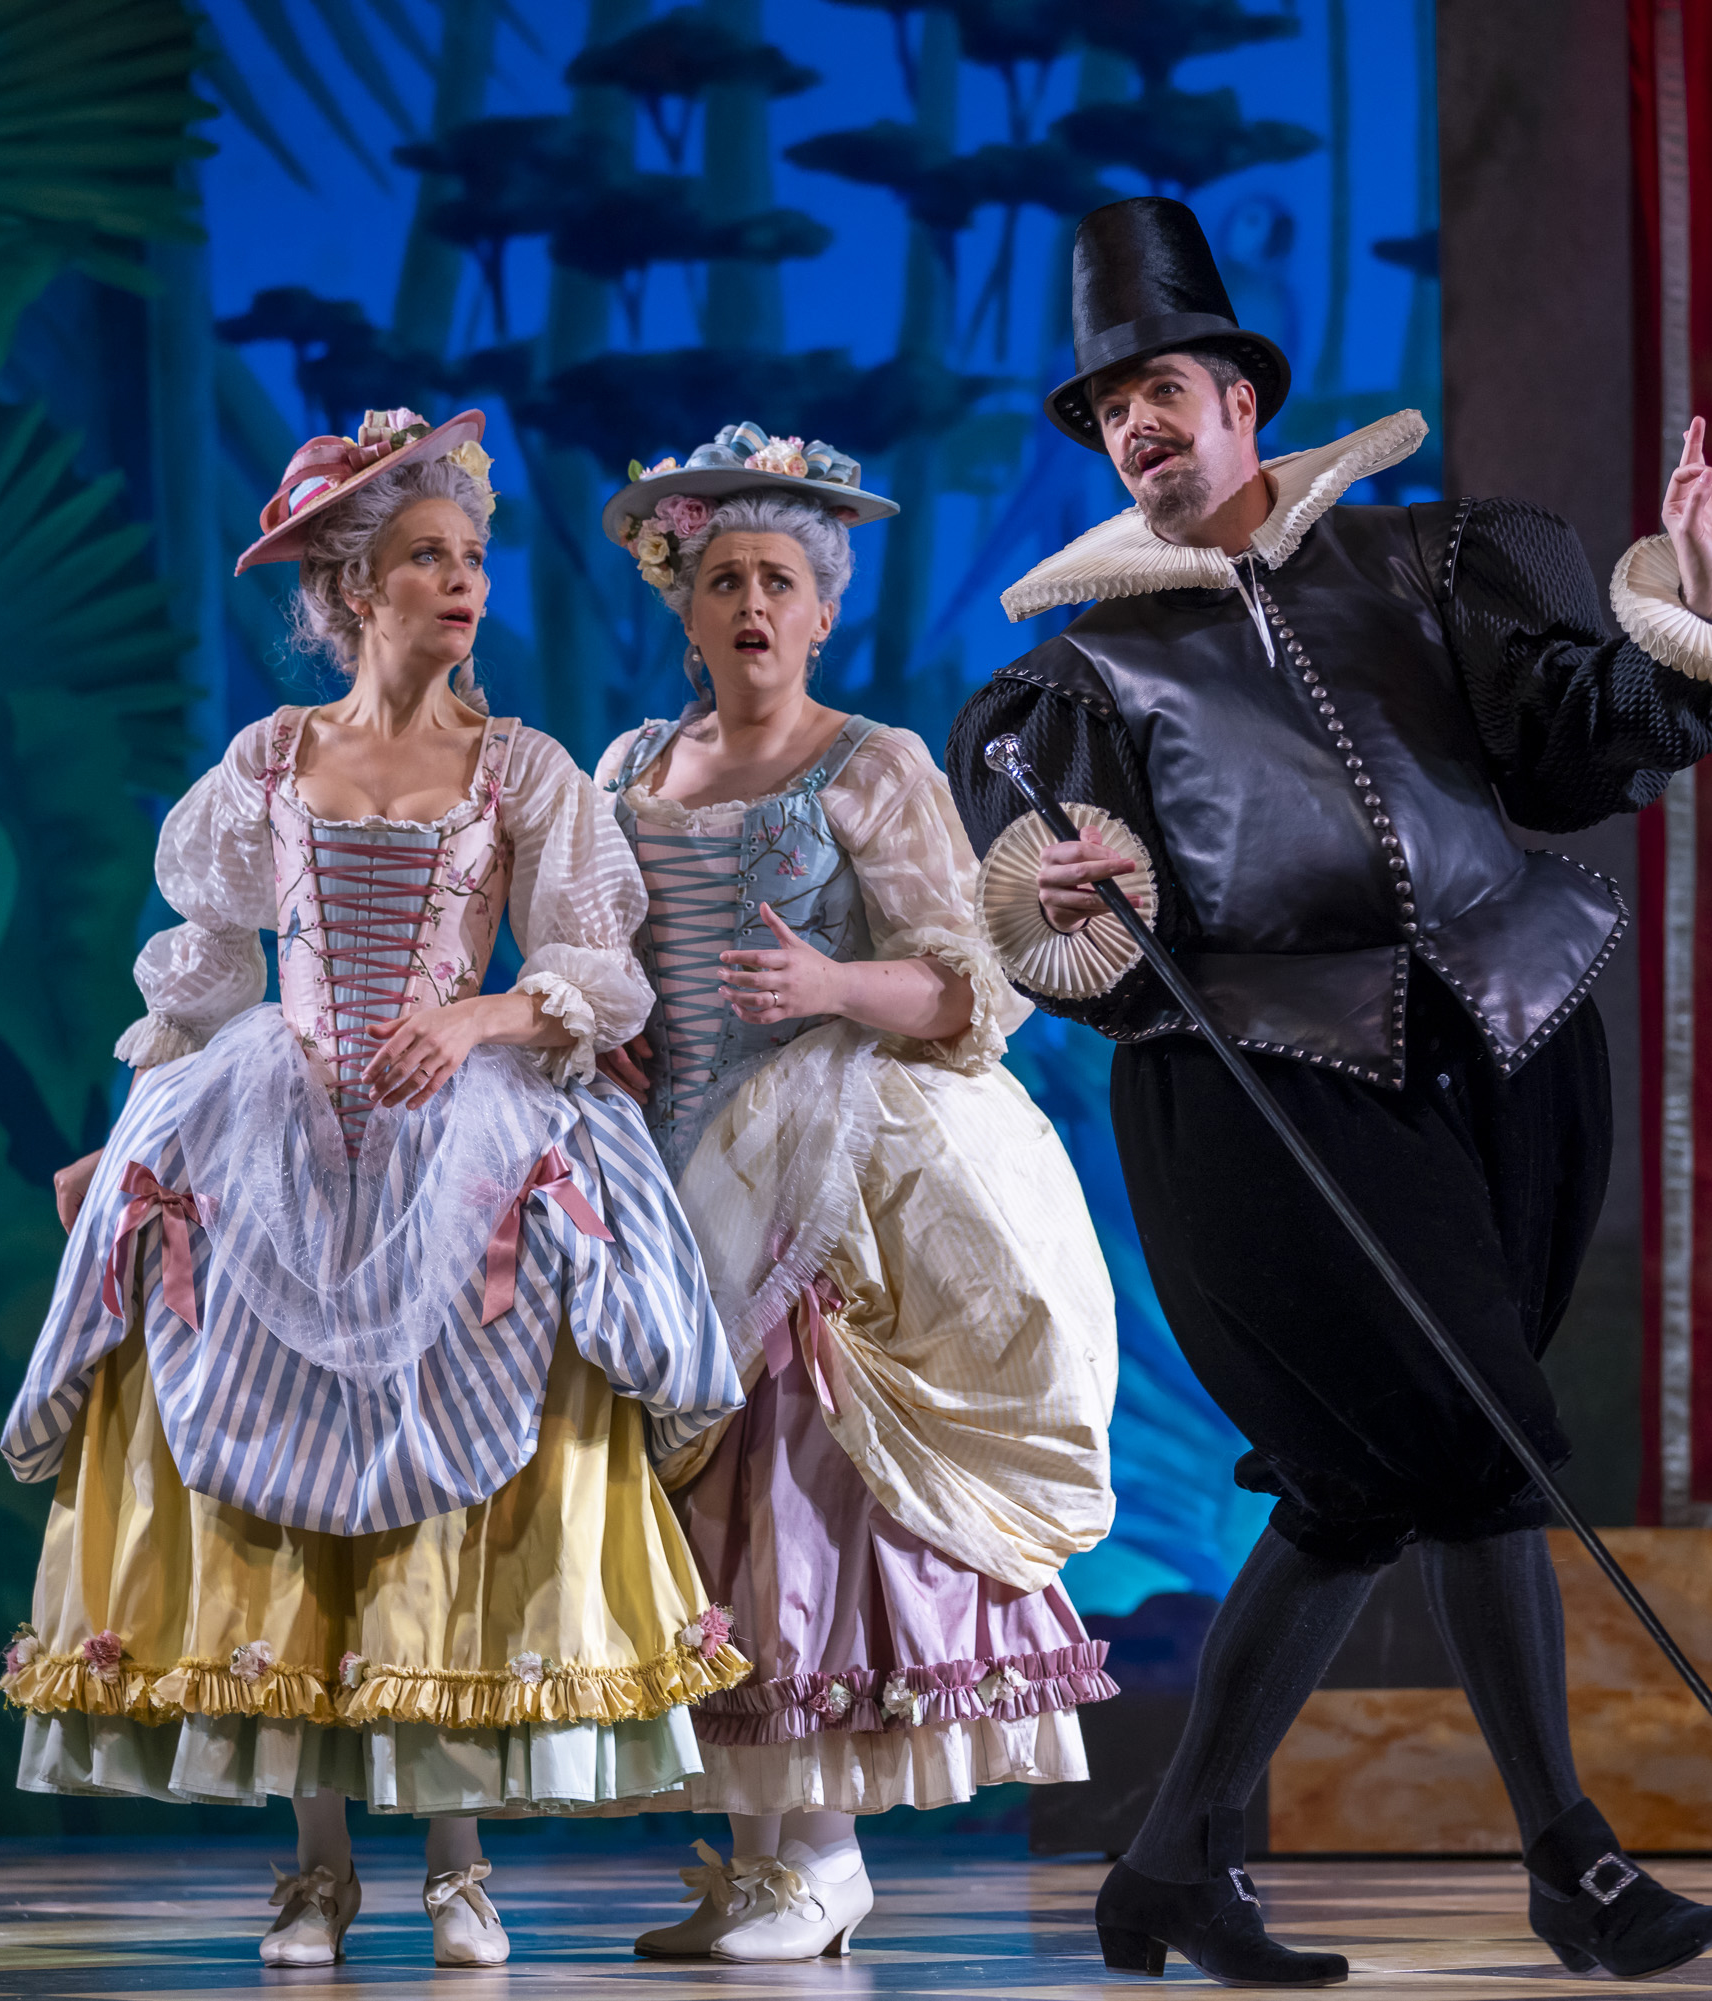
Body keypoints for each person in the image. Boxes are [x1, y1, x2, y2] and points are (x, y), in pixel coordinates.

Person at [945, 199, 1712, 1985]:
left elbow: (1580, 741)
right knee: (1481, 1449)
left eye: (1161, 390)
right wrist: (1063, 896)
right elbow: (1066, 920)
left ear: (1244, 397)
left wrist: (1700, 608)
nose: (1138, 431)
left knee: (1359, 1487)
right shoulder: (1081, 677)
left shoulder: (1427, 565)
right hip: (1265, 1099)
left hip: (1499, 1048)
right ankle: (1574, 1862)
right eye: (1110, 414)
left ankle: (1171, 1857)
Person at [0, 408, 747, 1971]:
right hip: (275, 1132)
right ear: (351, 589)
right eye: (425, 557)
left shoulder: (521, 769)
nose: (460, 581)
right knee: (280, 1464)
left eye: (472, 557)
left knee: (461, 1465)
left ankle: (457, 1862)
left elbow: (593, 967)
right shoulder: (270, 762)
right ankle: (316, 1862)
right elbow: (201, 985)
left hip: (456, 1129)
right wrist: (135, 1134)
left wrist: (476, 1016)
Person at [589, 424, 1121, 1963]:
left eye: (780, 580)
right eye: (724, 577)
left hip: (824, 1158)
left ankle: (822, 1848)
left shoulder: (869, 764)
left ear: (822, 613)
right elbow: (600, 953)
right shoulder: (630, 768)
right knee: (687, 1503)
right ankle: (754, 1841)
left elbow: (971, 991)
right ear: (684, 608)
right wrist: (605, 1033)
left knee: (801, 1486)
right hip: (668, 1171)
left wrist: (829, 978)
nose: (752, 602)